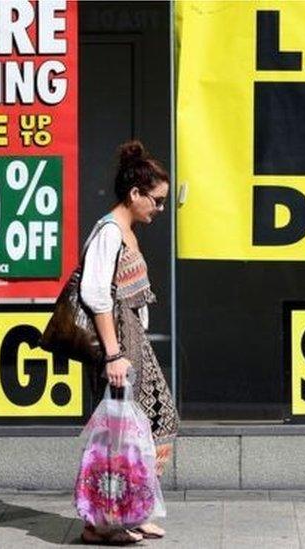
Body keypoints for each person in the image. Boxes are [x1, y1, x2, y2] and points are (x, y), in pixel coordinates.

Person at [78, 140, 178, 544]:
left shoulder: (126, 232)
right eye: (156, 200)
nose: (160, 208)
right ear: (135, 193)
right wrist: (114, 355)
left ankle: (132, 511)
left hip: (134, 341)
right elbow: (96, 295)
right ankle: (103, 522)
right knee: (119, 434)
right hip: (118, 345)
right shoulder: (108, 234)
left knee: (154, 423)